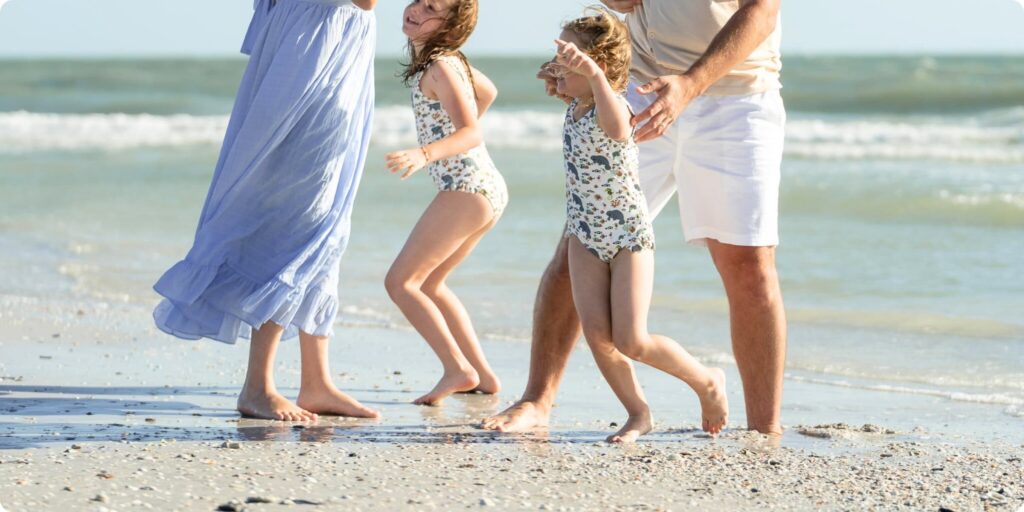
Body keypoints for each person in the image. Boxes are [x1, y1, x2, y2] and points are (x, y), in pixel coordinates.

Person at [483, 0, 786, 435]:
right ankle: (536, 401)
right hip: (644, 88)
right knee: (581, 241)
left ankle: (763, 431)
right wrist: (579, 75)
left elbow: (763, 10)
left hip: (736, 98)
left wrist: (691, 83)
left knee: (750, 267)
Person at [152, 0, 381, 421]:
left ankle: (316, 382)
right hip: (321, 54)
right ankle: (258, 385)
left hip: (305, 47)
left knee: (322, 217)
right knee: (305, 218)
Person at [551, 9, 728, 442]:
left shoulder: (618, 109)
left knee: (631, 338)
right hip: (584, 235)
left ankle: (707, 381)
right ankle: (638, 413)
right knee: (597, 335)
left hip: (627, 236)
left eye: (568, 57)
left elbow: (613, 121)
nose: (558, 64)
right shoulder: (577, 105)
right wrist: (565, 77)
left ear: (600, 67)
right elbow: (577, 91)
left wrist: (590, 74)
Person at [384, 0, 507, 406]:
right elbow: (488, 91)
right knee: (432, 284)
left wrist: (426, 153)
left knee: (401, 283)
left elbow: (471, 132)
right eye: (418, 1)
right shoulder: (448, 62)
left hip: (467, 187)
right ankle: (483, 375)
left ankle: (457, 369)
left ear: (451, 24)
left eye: (431, 8)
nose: (416, 10)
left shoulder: (440, 67)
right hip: (483, 188)